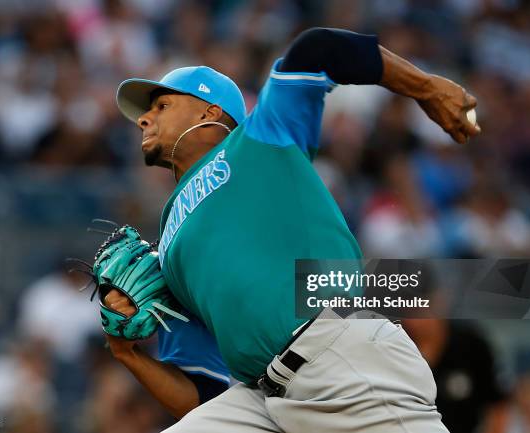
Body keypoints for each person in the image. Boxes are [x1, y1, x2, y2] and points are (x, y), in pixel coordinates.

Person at [105, 27, 480, 432]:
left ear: (209, 111)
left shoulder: (259, 140)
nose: (144, 117)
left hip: (342, 359)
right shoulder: (169, 240)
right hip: (261, 397)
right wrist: (128, 354)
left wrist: (425, 88)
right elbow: (200, 394)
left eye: (161, 105)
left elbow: (319, 49)